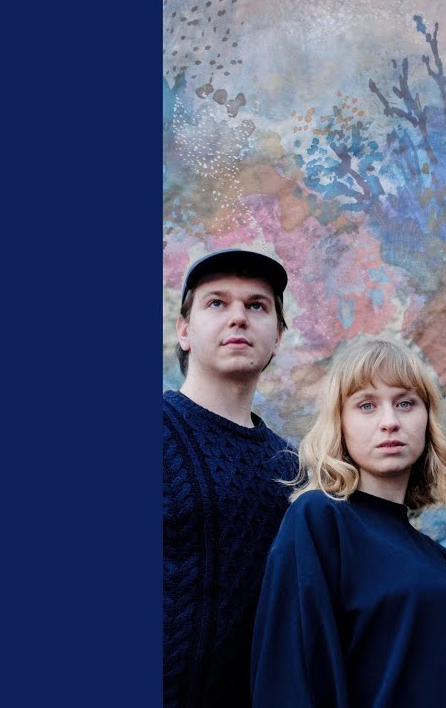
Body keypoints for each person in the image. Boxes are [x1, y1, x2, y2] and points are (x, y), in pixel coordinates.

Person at [251, 337, 446, 708]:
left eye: (405, 403)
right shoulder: (319, 520)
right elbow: (290, 677)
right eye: (366, 405)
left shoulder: (443, 562)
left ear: (427, 419)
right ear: (340, 423)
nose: (390, 422)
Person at [163, 248, 299, 708]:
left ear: (277, 337)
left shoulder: (296, 471)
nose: (238, 317)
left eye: (257, 305)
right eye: (217, 303)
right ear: (184, 330)